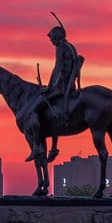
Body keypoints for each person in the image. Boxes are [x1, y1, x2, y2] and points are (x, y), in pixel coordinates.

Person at [23, 25, 83, 161]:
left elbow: (57, 69)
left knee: (34, 109)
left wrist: (49, 87)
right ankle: (54, 148)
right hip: (68, 85)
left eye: (52, 38)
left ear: (56, 36)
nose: (51, 41)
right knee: (50, 113)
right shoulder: (70, 47)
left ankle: (37, 146)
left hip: (60, 86)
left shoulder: (61, 48)